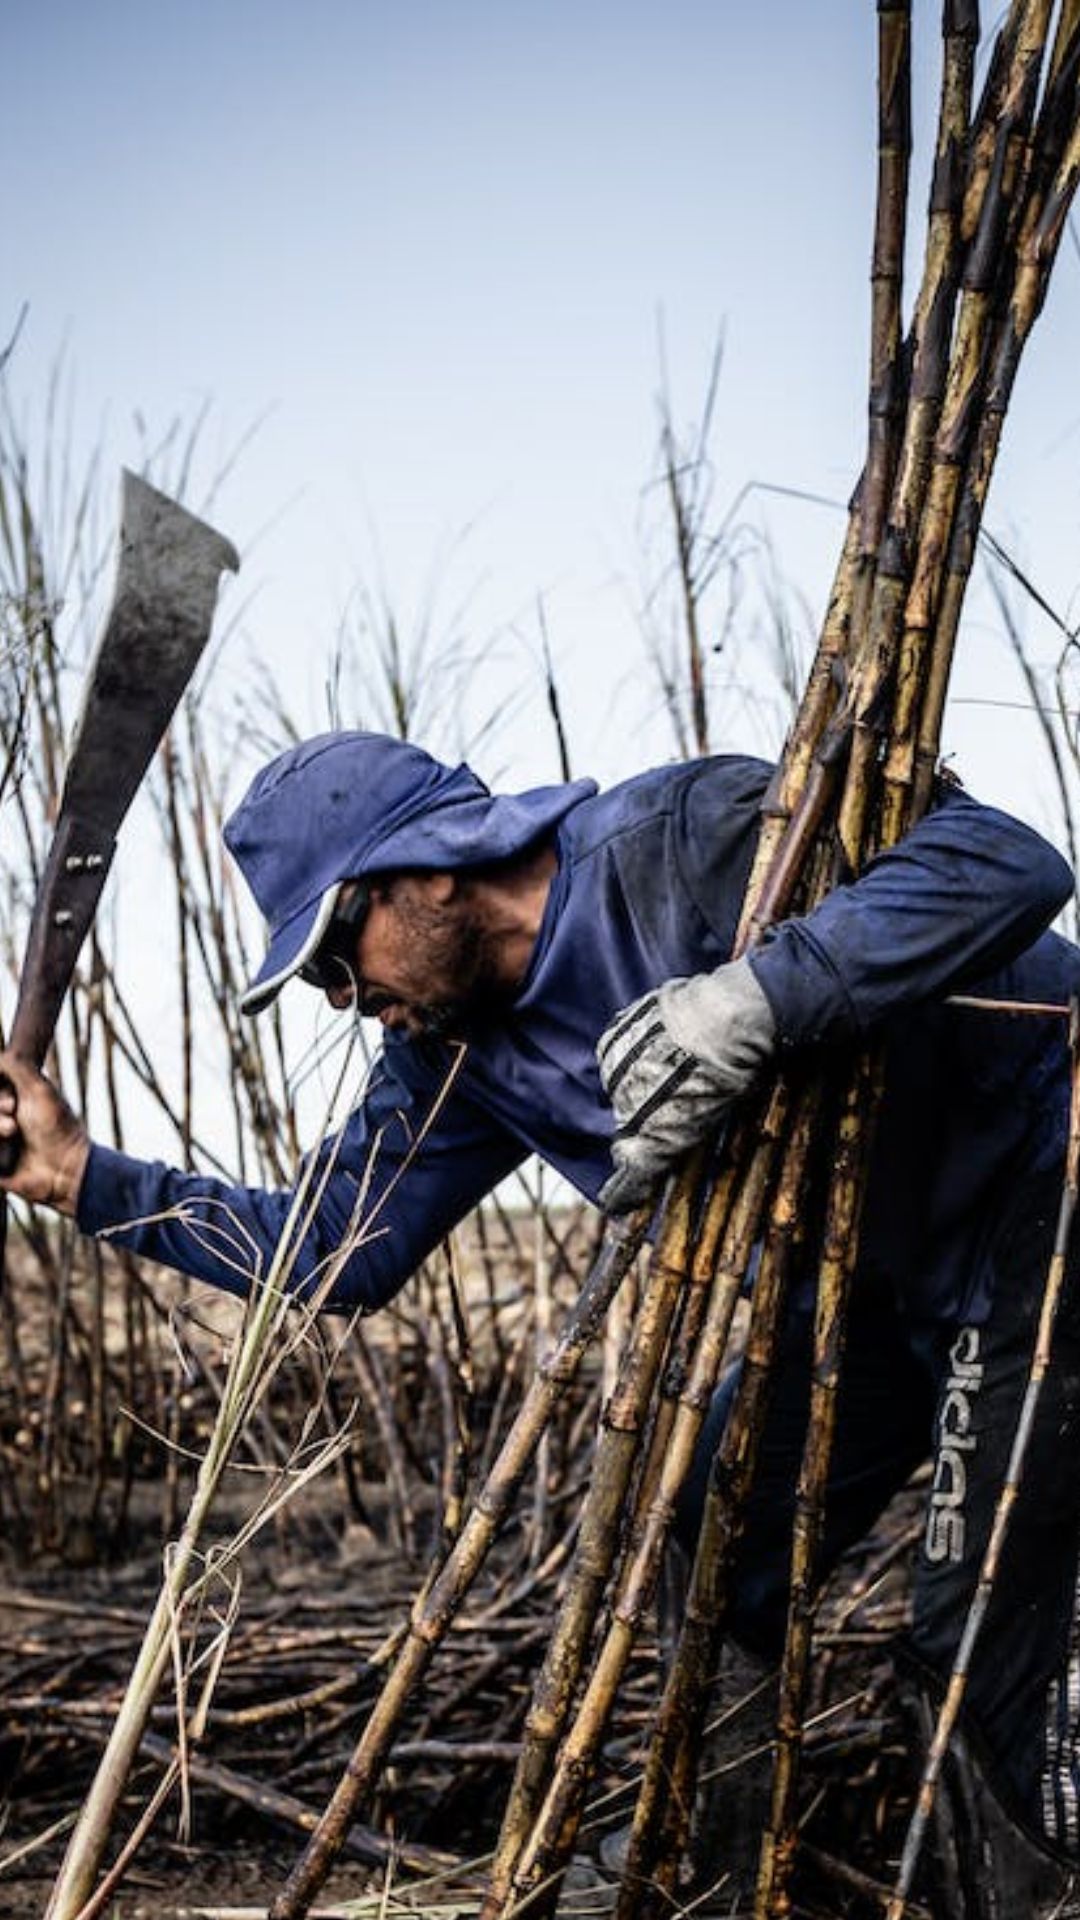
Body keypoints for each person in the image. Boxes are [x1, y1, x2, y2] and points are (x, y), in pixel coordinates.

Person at [2, 727, 1080, 1912]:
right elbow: (330, 1249)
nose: (352, 1005)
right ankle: (726, 1880)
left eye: (336, 960)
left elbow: (1008, 862)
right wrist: (78, 1178)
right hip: (878, 1281)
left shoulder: (685, 841)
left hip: (1047, 1174)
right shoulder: (455, 1056)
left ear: (425, 870)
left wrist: (759, 1000)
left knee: (976, 1641)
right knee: (713, 1524)